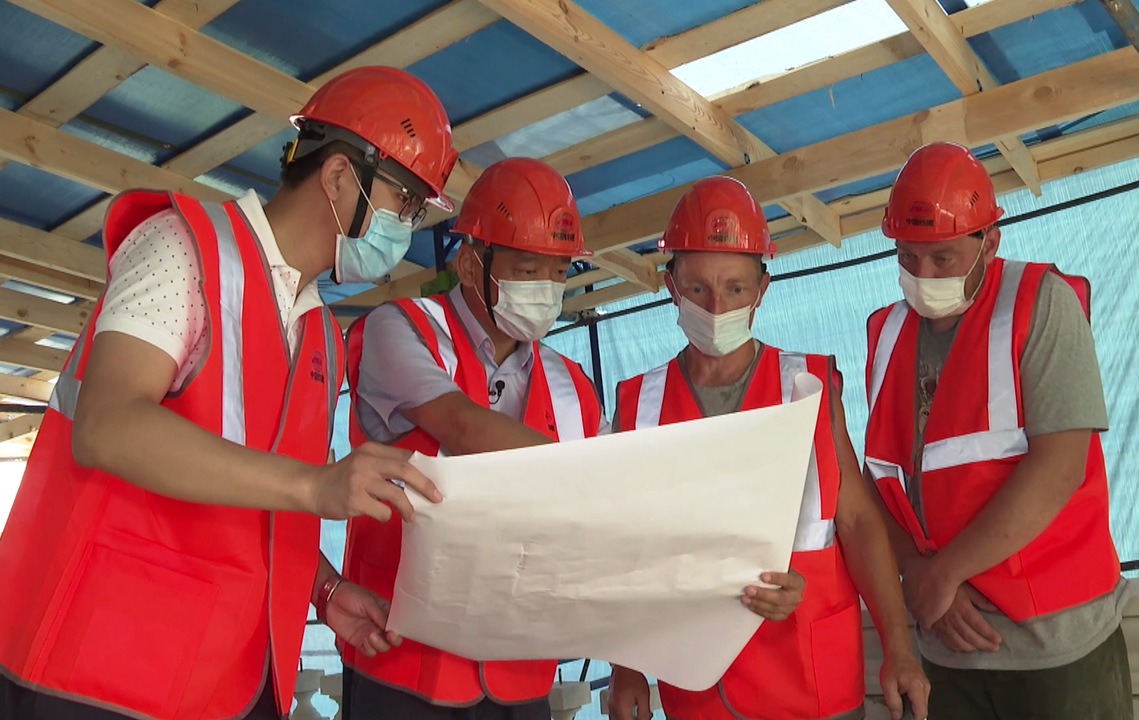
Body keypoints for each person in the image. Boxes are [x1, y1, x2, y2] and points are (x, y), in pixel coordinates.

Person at [0, 66, 456, 720]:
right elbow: (107, 424)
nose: (406, 226)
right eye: (404, 201)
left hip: (233, 677)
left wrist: (324, 589)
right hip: (101, 669)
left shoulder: (320, 330)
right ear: (336, 177)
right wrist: (315, 486)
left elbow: (263, 495)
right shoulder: (185, 248)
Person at [608, 176, 928, 720]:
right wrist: (625, 667)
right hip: (699, 692)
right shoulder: (638, 405)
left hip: (813, 684)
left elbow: (858, 522)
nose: (716, 307)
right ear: (670, 286)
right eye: (698, 289)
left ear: (762, 290)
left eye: (735, 289)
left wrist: (900, 648)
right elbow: (621, 549)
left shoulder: (810, 386)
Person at [863, 141, 1131, 719]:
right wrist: (918, 572)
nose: (922, 277)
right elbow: (879, 479)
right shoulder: (887, 335)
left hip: (1057, 649)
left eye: (943, 259)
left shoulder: (1042, 304)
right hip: (946, 652)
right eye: (907, 259)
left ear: (990, 242)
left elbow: (1059, 466)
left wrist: (944, 574)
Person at [341, 157, 609, 720]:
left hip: (520, 670)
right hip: (402, 662)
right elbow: (460, 427)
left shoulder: (575, 388)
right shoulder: (401, 328)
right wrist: (603, 477)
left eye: (559, 273)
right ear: (469, 265)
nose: (547, 289)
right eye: (528, 269)